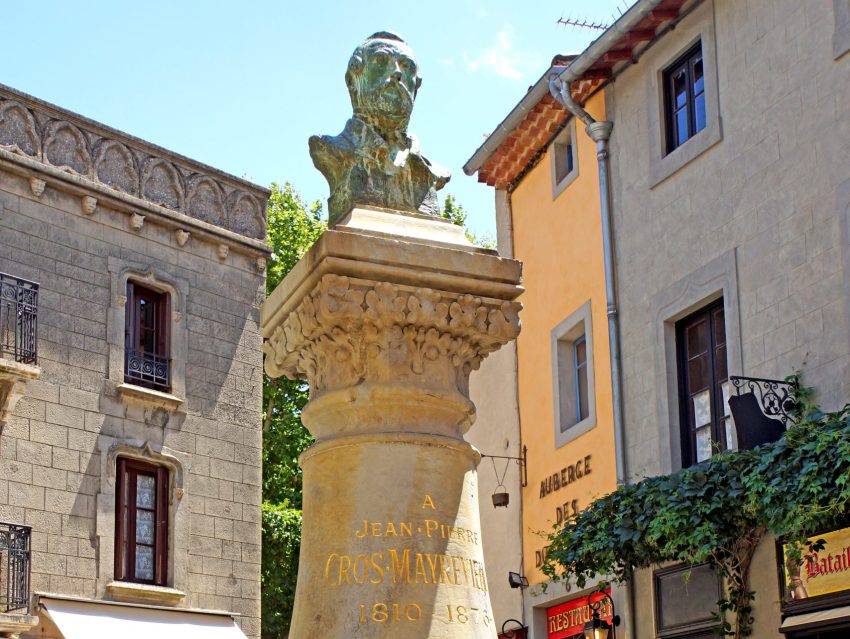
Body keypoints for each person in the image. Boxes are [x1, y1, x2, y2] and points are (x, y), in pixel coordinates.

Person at [309, 32, 450, 226]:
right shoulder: (331, 150)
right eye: (381, 61)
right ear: (352, 82)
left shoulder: (429, 171)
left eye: (406, 66)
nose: (396, 72)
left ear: (415, 87)